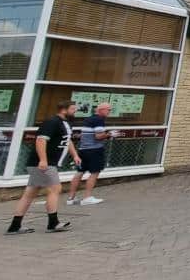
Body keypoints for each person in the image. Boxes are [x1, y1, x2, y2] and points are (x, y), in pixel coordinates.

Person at [6, 100, 81, 235]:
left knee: (30, 193)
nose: (75, 111)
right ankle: (53, 223)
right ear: (64, 109)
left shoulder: (66, 123)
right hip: (43, 163)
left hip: (48, 163)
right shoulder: (52, 122)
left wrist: (75, 155)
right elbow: (41, 140)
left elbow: (67, 140)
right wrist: (43, 160)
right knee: (55, 188)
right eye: (73, 109)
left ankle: (15, 226)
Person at [67, 102, 118, 206]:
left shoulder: (89, 119)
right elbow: (98, 136)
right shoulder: (99, 120)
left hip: (83, 149)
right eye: (108, 109)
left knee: (80, 172)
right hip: (94, 150)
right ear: (101, 110)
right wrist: (110, 134)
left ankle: (71, 198)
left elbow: (85, 134)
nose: (109, 112)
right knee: (95, 173)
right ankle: (87, 197)